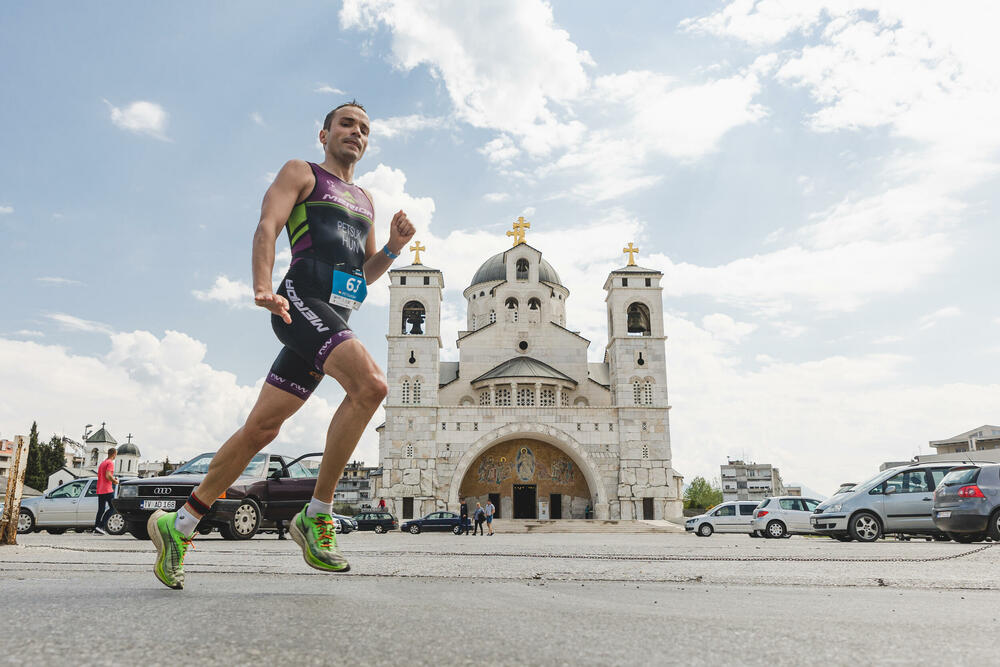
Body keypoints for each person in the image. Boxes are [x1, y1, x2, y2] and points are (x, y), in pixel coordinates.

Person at [147, 101, 415, 590]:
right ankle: (317, 514)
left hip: (331, 316)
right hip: (299, 301)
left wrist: (394, 248)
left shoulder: (365, 200)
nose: (356, 133)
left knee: (262, 428)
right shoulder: (302, 172)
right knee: (372, 386)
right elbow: (268, 225)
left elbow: (365, 273)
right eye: (347, 124)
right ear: (325, 133)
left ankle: (179, 523)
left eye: (365, 129)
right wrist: (262, 285)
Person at [94, 447, 118, 535]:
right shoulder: (110, 463)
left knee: (101, 509)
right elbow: (108, 475)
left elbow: (103, 475)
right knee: (113, 507)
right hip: (107, 489)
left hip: (100, 489)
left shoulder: (102, 463)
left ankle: (96, 527)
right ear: (114, 454)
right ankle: (101, 526)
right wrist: (115, 481)